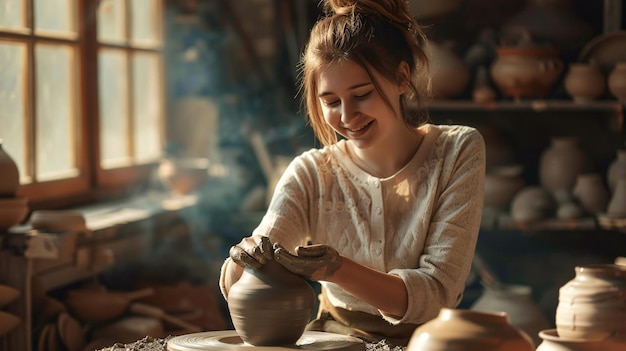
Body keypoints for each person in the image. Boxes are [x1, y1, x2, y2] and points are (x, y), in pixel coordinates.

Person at [219, 0, 485, 346]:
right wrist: (245, 259)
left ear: (402, 78)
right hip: (335, 339)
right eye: (330, 102)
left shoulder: (457, 150)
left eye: (361, 95)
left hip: (430, 340)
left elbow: (437, 294)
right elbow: (245, 278)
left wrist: (338, 269)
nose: (347, 116)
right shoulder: (311, 172)